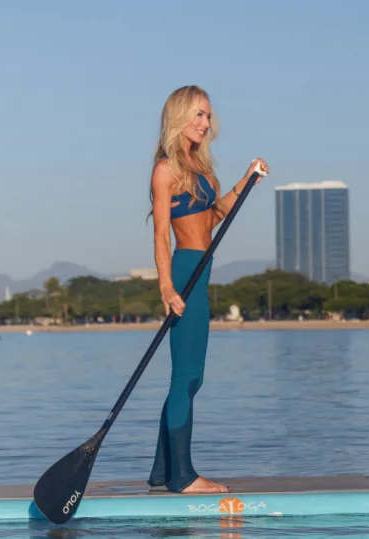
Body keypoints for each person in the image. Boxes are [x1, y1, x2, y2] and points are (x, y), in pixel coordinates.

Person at [145, 85, 268, 494]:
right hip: (183, 273)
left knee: (188, 378)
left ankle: (162, 471)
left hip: (201, 267)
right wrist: (165, 285)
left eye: (208, 116)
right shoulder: (166, 170)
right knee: (188, 375)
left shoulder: (201, 169)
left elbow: (212, 217)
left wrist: (246, 180)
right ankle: (183, 476)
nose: (205, 122)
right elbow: (162, 235)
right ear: (180, 117)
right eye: (198, 114)